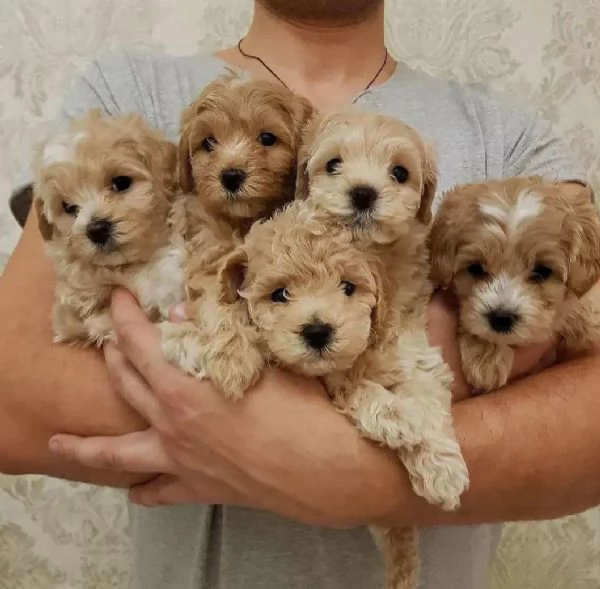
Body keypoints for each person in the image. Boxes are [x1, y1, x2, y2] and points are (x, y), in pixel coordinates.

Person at [2, 1, 600, 587]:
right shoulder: (124, 91)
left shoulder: (510, 136)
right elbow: (12, 403)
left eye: (399, 176)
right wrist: (260, 434)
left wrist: (345, 469)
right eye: (207, 147)